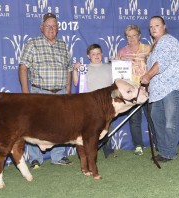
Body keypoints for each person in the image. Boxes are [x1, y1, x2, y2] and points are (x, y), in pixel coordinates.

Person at [19, 13, 73, 168]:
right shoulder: (33, 43)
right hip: (40, 92)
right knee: (36, 125)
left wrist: (68, 89)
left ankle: (58, 156)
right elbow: (23, 67)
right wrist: (25, 92)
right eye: (48, 25)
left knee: (62, 125)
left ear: (58, 28)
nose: (51, 28)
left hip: (61, 93)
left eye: (54, 25)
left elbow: (69, 68)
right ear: (41, 28)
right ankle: (35, 158)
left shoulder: (63, 44)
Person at [140, 16, 179, 162]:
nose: (153, 28)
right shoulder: (155, 45)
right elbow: (154, 65)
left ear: (164, 26)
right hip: (158, 90)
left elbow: (161, 63)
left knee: (170, 121)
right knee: (157, 118)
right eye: (151, 26)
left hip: (173, 87)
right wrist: (147, 87)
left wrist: (148, 76)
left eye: (157, 25)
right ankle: (164, 151)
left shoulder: (168, 40)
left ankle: (169, 153)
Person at [116, 24, 155, 155]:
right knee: (134, 119)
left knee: (153, 117)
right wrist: (116, 62)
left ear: (139, 35)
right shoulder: (122, 52)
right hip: (131, 92)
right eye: (129, 36)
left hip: (148, 89)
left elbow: (156, 67)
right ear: (126, 37)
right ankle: (138, 145)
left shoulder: (149, 49)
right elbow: (118, 75)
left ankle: (159, 143)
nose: (132, 38)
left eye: (134, 35)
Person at [73, 43, 117, 158]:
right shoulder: (84, 69)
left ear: (102, 54)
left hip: (107, 103)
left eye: (98, 53)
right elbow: (76, 83)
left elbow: (117, 82)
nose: (96, 56)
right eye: (93, 54)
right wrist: (75, 70)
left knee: (107, 127)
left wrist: (119, 64)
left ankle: (109, 151)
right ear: (88, 56)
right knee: (91, 129)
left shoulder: (109, 67)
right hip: (91, 104)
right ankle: (89, 150)